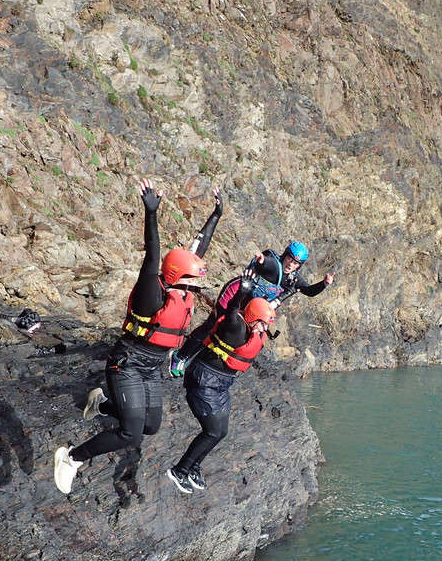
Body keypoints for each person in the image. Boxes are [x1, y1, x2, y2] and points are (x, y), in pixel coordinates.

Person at [53, 178, 221, 495]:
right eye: (191, 278)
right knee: (130, 433)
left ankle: (102, 404)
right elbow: (153, 256)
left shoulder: (182, 287)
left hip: (151, 366)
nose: (196, 285)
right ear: (176, 275)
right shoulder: (151, 293)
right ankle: (72, 458)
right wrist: (151, 213)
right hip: (128, 363)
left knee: (150, 425)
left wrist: (216, 216)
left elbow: (197, 249)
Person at [165, 281, 276, 493]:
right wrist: (241, 292)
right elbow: (232, 309)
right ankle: (180, 471)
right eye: (263, 323)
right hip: (204, 380)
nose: (265, 329)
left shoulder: (253, 329)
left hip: (221, 384)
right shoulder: (236, 327)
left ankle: (194, 467)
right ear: (253, 317)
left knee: (221, 432)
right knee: (212, 432)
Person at [169, 240, 334, 377]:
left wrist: (324, 284)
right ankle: (180, 356)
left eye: (295, 263)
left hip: (247, 306)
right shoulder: (273, 262)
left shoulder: (293, 278)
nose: (291, 264)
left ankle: (201, 363)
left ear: (299, 265)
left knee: (225, 334)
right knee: (211, 325)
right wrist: (261, 260)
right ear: (285, 255)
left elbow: (309, 291)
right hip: (234, 293)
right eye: (289, 259)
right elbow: (266, 264)